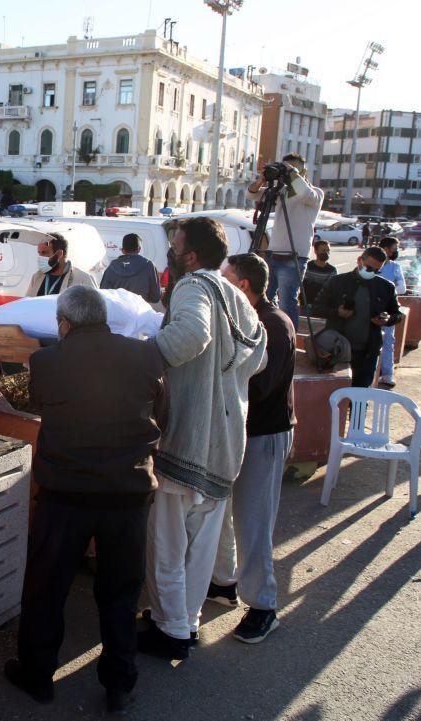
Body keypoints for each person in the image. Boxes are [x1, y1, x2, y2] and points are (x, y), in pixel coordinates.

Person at [3, 286, 166, 715]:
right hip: (127, 495)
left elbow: (38, 402)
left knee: (46, 589)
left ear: (64, 323)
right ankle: (119, 684)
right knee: (120, 593)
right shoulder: (144, 355)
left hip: (65, 496)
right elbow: (158, 409)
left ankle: (38, 677)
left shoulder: (47, 361)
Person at [138, 217, 267, 661]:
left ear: (190, 256)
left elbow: (191, 335)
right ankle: (184, 624)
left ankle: (169, 628)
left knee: (168, 541)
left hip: (190, 436)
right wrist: (223, 380)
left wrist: (141, 357)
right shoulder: (236, 295)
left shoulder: (193, 286)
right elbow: (259, 355)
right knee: (201, 544)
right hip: (227, 438)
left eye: (175, 245)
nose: (170, 251)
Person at [208, 254, 296, 644]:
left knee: (254, 521)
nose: (220, 284)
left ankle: (263, 606)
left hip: (264, 435)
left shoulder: (273, 326)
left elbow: (258, 388)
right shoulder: (244, 319)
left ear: (242, 285)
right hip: (239, 431)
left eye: (225, 278)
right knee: (224, 510)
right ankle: (225, 582)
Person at [247, 153, 324, 329]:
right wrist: (262, 180)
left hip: (295, 255)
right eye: (285, 167)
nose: (287, 172)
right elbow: (252, 195)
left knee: (287, 301)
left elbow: (304, 192)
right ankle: (265, 330)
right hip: (274, 253)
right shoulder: (280, 192)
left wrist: (292, 173)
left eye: (292, 168)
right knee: (264, 297)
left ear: (303, 171)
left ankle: (288, 338)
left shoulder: (315, 194)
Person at [311, 247, 404, 387]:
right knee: (337, 397)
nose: (371, 272)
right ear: (360, 260)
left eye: (376, 270)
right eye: (368, 267)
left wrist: (387, 319)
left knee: (360, 399)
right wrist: (337, 312)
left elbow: (397, 315)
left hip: (368, 353)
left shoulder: (386, 287)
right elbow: (316, 308)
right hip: (338, 351)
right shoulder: (337, 282)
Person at [376, 237, 407, 388]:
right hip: (370, 309)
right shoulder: (372, 264)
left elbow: (402, 288)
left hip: (388, 310)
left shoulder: (395, 267)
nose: (396, 251)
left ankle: (387, 374)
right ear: (387, 249)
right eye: (395, 248)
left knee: (388, 342)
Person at [100, 233, 162, 303]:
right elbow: (155, 297)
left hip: (116, 311)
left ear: (123, 250)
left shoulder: (112, 267)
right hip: (139, 311)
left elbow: (103, 295)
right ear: (139, 249)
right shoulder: (148, 266)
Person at [28, 233, 98, 296]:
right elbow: (28, 304)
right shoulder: (37, 277)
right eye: (39, 253)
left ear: (59, 254)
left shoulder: (83, 280)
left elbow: (96, 308)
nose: (40, 257)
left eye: (44, 253)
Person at [302, 239, 338, 308]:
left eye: (328, 250)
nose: (326, 253)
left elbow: (331, 289)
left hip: (323, 305)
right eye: (323, 250)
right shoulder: (307, 267)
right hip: (306, 304)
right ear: (316, 251)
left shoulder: (332, 270)